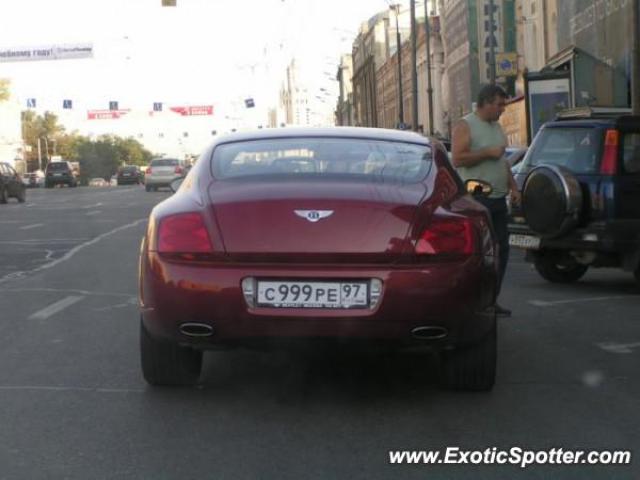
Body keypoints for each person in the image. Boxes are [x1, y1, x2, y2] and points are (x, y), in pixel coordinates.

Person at [451, 84, 521, 317]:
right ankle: (475, 303)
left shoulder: (496, 127)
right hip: (478, 198)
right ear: (487, 102)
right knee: (483, 254)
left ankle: (492, 299)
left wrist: (514, 186)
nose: (503, 109)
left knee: (502, 251)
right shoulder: (466, 125)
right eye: (500, 104)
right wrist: (486, 153)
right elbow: (458, 159)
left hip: (499, 198)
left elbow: (502, 162)